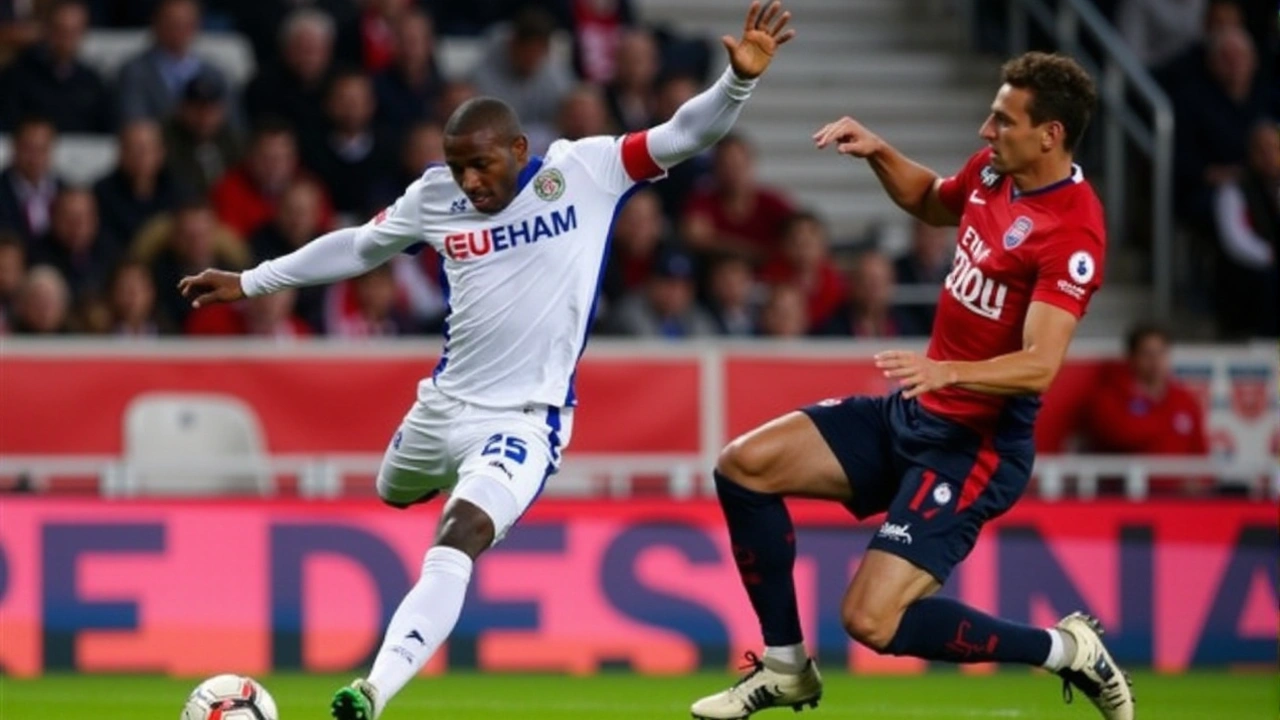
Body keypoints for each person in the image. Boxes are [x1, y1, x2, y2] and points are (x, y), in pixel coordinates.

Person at [176, 4, 795, 719]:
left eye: (482, 163)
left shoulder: (583, 172)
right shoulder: (435, 195)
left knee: (459, 533)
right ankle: (417, 492)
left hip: (525, 421)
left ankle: (372, 690)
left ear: (519, 147)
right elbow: (356, 248)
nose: (469, 180)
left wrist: (736, 84)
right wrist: (254, 279)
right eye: (458, 165)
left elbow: (683, 134)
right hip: (441, 406)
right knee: (393, 489)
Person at [690, 52, 1135, 720]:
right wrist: (878, 151)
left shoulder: (1073, 230)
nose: (987, 131)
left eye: (1004, 120)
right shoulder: (993, 173)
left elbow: (1041, 363)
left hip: (974, 446)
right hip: (912, 412)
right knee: (743, 467)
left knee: (871, 621)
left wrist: (948, 370)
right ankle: (785, 668)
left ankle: (1064, 650)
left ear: (1051, 135)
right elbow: (932, 202)